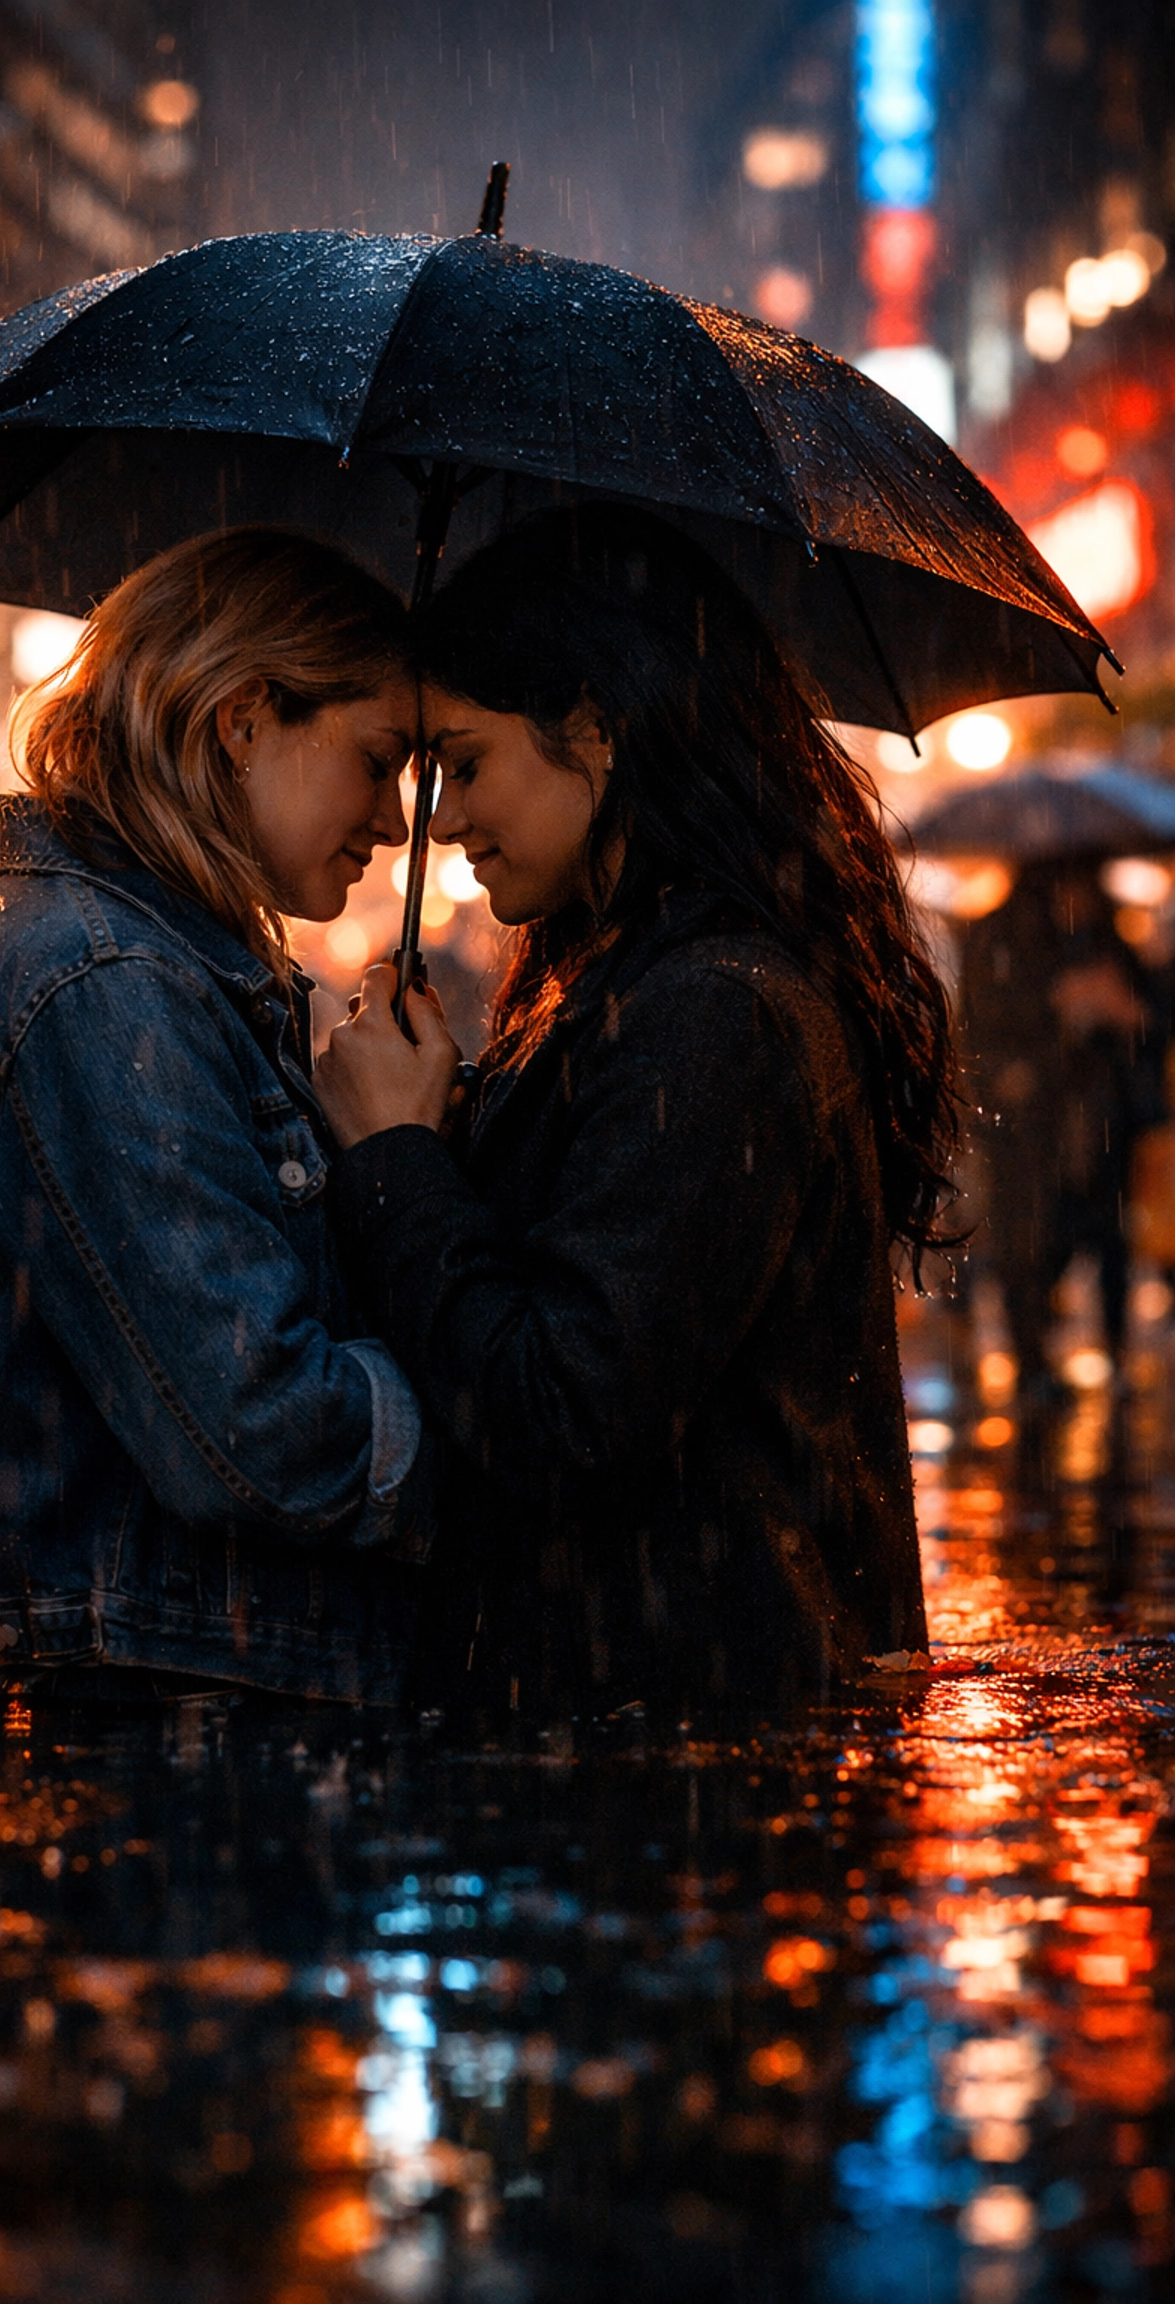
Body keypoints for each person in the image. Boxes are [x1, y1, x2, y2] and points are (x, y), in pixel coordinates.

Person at [315, 506, 955, 1716]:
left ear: (596, 734)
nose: (440, 820)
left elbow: (561, 1414)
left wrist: (402, 1156)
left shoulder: (717, 1015)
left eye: (464, 762)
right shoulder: (624, 989)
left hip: (693, 1755)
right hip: (639, 1728)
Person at [0, 528, 432, 1704]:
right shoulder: (101, 988)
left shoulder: (180, 974)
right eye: (376, 760)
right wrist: (494, 1419)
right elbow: (260, 1429)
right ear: (242, 719)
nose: (393, 822)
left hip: (200, 1715)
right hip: (164, 1743)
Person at [958, 858, 1164, 1425]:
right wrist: (1058, 1008)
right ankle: (1032, 1362)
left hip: (1100, 1117)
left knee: (1107, 1234)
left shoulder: (1104, 936)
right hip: (1027, 1119)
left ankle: (1115, 1354)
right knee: (1028, 1236)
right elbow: (983, 1025)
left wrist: (1125, 1013)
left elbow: (1148, 1018)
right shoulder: (1001, 934)